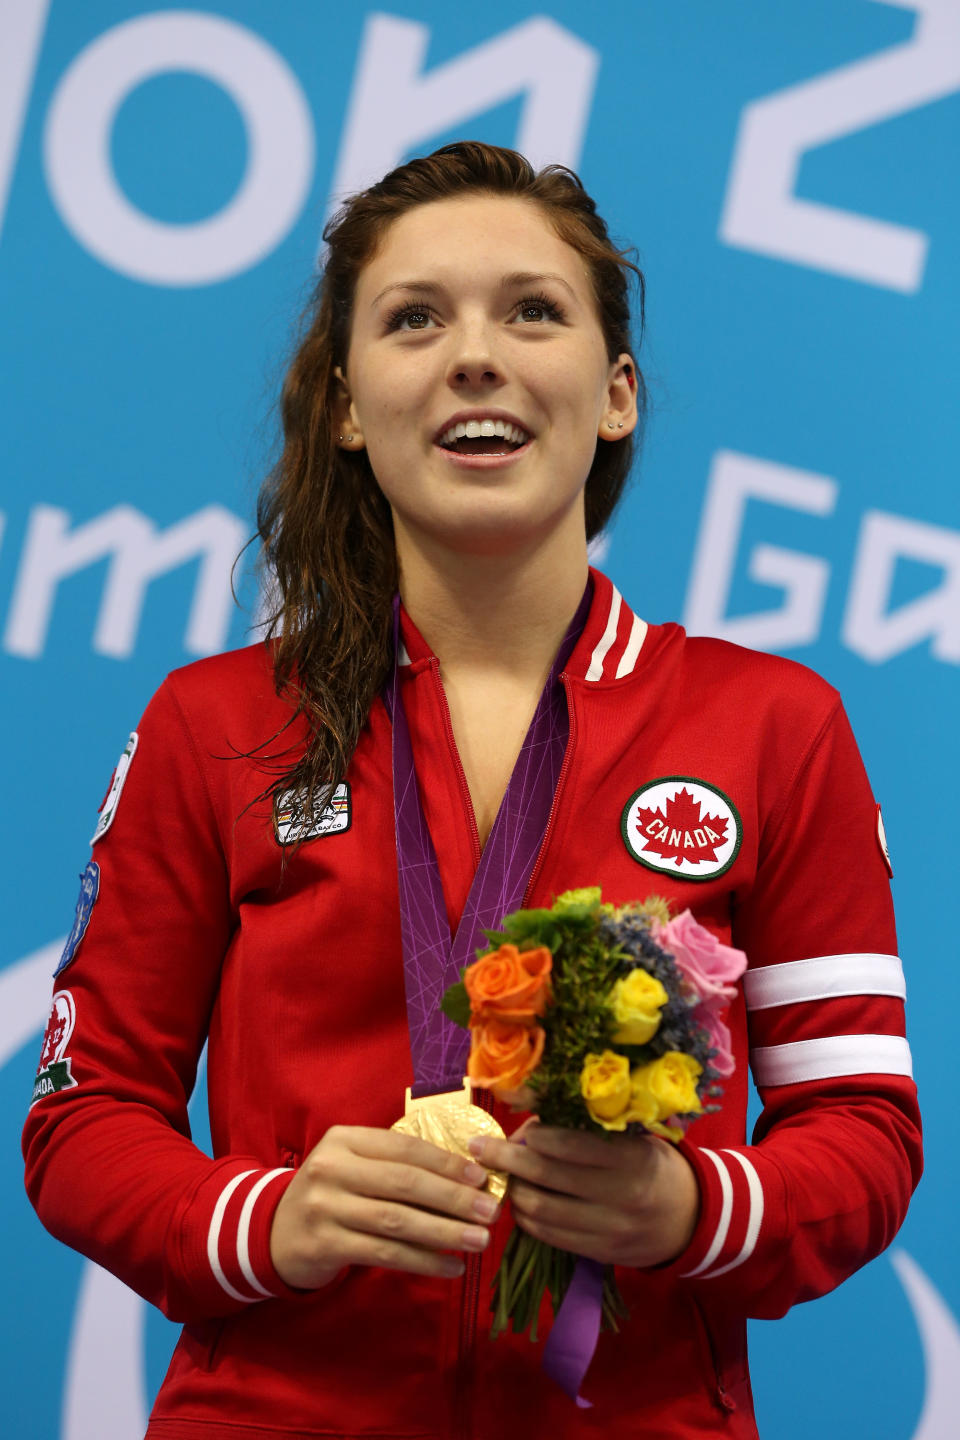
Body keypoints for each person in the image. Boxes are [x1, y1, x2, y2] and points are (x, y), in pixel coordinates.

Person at [23, 141, 921, 1440]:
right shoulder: (213, 726)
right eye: (415, 318)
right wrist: (270, 1220)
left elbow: (862, 1128)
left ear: (616, 394)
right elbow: (84, 1115)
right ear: (346, 403)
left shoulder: (774, 726)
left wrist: (689, 1210)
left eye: (533, 311)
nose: (476, 354)